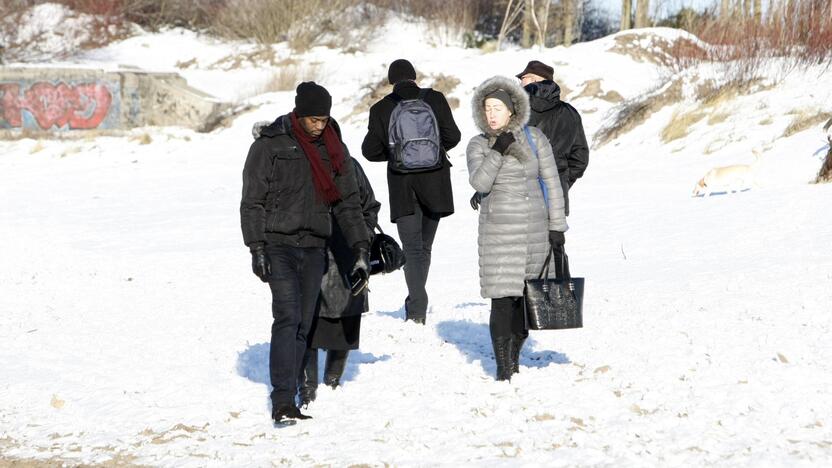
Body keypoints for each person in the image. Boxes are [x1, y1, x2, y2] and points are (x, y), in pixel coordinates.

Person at [240, 82, 370, 424]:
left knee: (303, 324)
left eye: (324, 119)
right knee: (287, 317)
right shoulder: (270, 145)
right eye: (313, 119)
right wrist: (256, 247)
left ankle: (296, 392)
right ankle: (282, 398)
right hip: (277, 244)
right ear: (299, 113)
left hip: (314, 246)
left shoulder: (333, 148)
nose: (319, 125)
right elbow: (252, 201)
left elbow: (348, 203)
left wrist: (360, 246)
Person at [466, 75, 568, 381]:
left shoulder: (536, 139)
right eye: (487, 108)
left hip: (535, 231)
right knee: (502, 299)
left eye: (498, 107)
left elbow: (552, 183)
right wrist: (498, 150)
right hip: (498, 233)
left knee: (525, 300)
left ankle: (514, 357)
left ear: (512, 110)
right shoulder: (479, 144)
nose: (492, 114)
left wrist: (557, 226)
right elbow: (480, 182)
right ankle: (503, 368)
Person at [361, 59, 461, 325]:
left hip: (402, 185)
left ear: (392, 81)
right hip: (437, 182)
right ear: (414, 77)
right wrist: (433, 154)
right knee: (424, 247)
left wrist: (396, 155)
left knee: (412, 248)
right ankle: (416, 302)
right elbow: (453, 136)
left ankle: (416, 306)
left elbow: (369, 151)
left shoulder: (382, 108)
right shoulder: (435, 99)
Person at [298, 156, 380, 406]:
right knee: (306, 320)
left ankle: (332, 380)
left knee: (345, 316)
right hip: (312, 250)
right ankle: (307, 387)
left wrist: (360, 237)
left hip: (346, 251)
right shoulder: (298, 164)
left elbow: (369, 206)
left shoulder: (348, 165)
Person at [471, 60, 588, 222]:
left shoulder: (516, 111)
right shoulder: (570, 112)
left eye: (523, 78)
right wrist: (561, 181)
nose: (520, 82)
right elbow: (580, 159)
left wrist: (486, 186)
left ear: (533, 79)